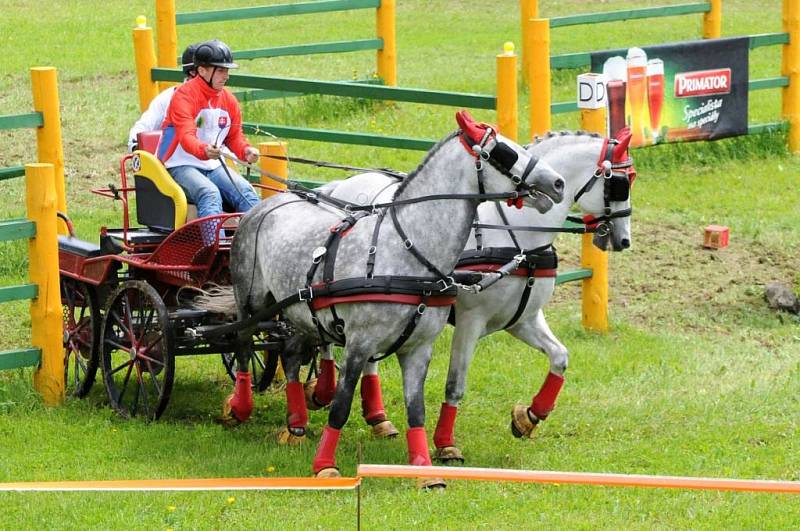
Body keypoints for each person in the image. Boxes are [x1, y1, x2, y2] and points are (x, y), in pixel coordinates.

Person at [157, 40, 260, 217]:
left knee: (247, 193)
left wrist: (246, 151)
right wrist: (204, 150)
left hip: (212, 165)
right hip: (179, 165)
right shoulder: (184, 96)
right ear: (203, 70)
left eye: (227, 70)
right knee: (209, 194)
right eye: (220, 70)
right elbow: (186, 136)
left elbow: (234, 137)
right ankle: (212, 245)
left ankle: (258, 241)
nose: (226, 76)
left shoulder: (229, 100)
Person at [127, 43, 200, 152]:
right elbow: (144, 126)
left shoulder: (219, 98)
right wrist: (136, 145)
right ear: (193, 72)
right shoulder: (168, 98)